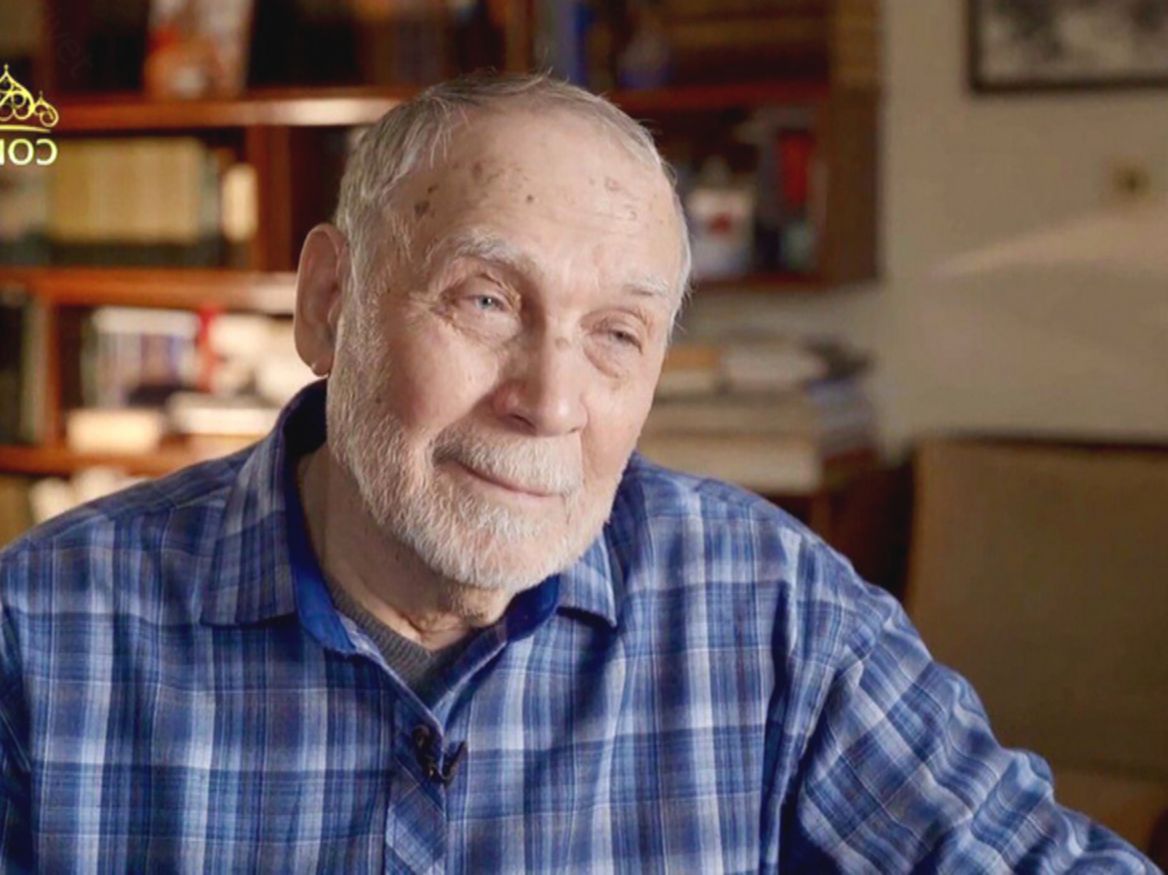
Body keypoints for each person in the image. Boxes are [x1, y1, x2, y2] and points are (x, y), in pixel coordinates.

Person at [0, 74, 1155, 872]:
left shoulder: (771, 611)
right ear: (328, 304)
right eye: (485, 300)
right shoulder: (41, 637)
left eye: (615, 334)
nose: (550, 400)